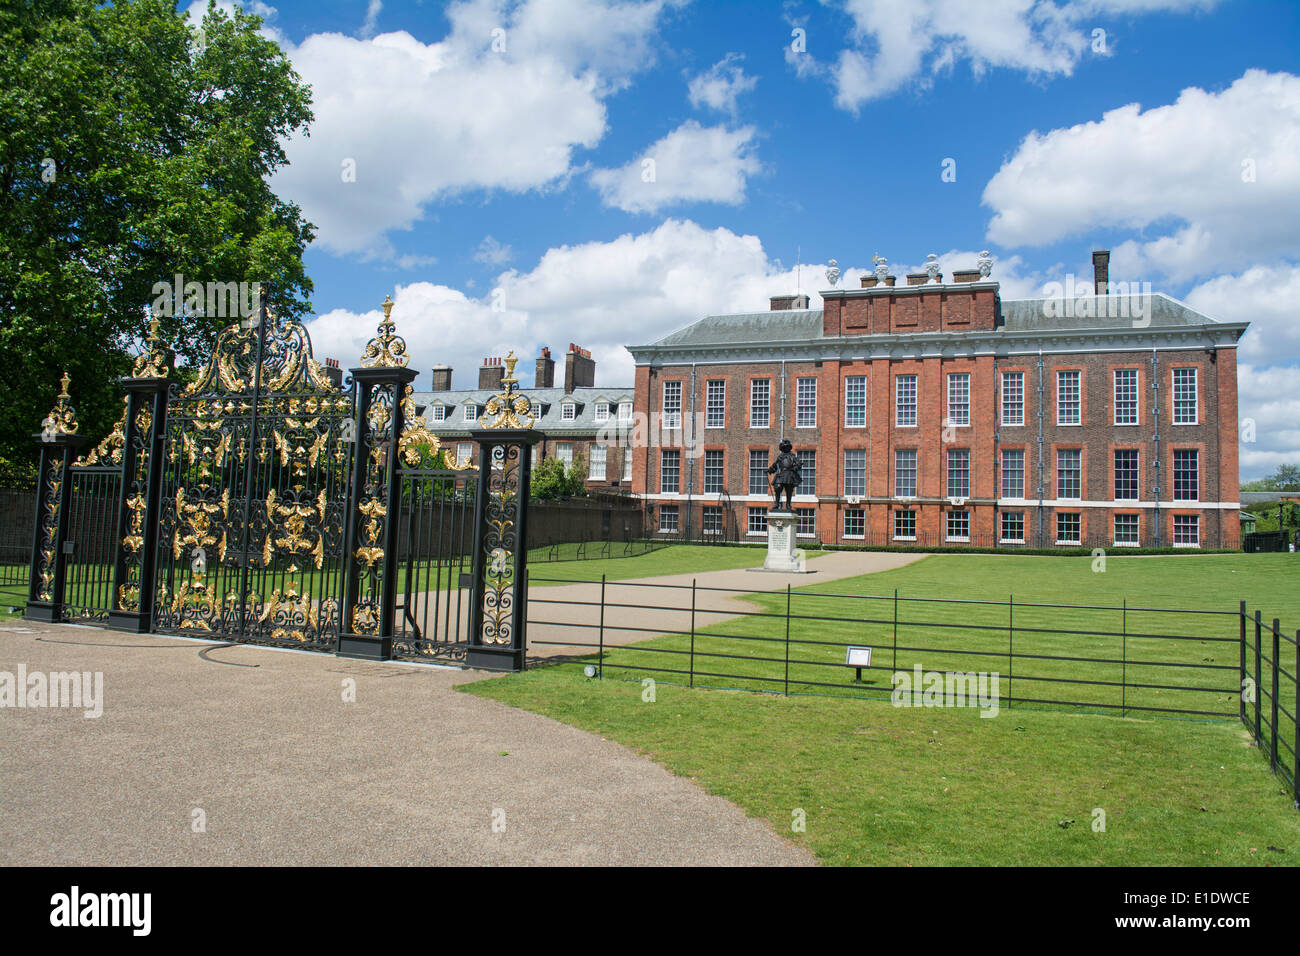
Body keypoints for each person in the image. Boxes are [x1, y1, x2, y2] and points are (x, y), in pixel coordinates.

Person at [767, 439, 802, 511]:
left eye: (786, 447)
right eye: (783, 447)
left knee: (789, 490)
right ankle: (777, 504)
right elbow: (775, 465)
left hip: (789, 474)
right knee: (777, 487)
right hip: (781, 474)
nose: (785, 449)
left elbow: (798, 464)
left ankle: (788, 504)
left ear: (788, 448)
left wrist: (794, 468)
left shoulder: (792, 456)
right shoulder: (780, 457)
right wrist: (770, 469)